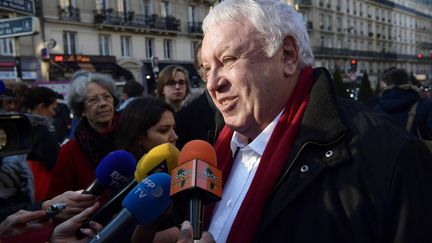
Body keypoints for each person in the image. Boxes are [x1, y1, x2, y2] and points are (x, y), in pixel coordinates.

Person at [185, 0, 431, 242]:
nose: (212, 83)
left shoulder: (390, 156)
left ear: (288, 55)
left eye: (228, 60)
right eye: (207, 69)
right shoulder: (213, 148)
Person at [47, 71, 120, 198]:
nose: (103, 103)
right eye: (93, 100)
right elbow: (55, 199)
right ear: (81, 110)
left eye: (107, 96)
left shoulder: (133, 135)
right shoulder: (70, 151)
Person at [175, 42, 224, 149]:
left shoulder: (251, 110)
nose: (218, 71)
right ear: (200, 74)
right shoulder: (184, 119)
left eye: (224, 61)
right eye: (207, 67)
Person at [22, 86, 60, 200]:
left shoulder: (17, 127)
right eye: (53, 109)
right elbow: (56, 163)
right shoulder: (42, 132)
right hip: (42, 194)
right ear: (41, 107)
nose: (54, 114)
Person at [374, 67, 432, 139]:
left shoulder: (375, 109)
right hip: (414, 149)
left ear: (386, 84)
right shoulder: (425, 106)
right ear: (407, 82)